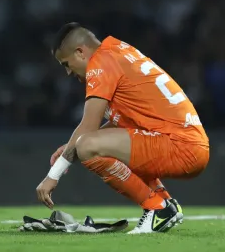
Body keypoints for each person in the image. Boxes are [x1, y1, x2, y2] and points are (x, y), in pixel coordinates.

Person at [36, 22, 210, 234]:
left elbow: (88, 128)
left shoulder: (101, 63)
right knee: (89, 144)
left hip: (180, 145)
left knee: (87, 147)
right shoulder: (118, 51)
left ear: (80, 52)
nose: (67, 72)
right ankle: (165, 205)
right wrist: (69, 147)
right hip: (187, 142)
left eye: (66, 63)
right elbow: (122, 126)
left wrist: (53, 175)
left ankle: (155, 208)